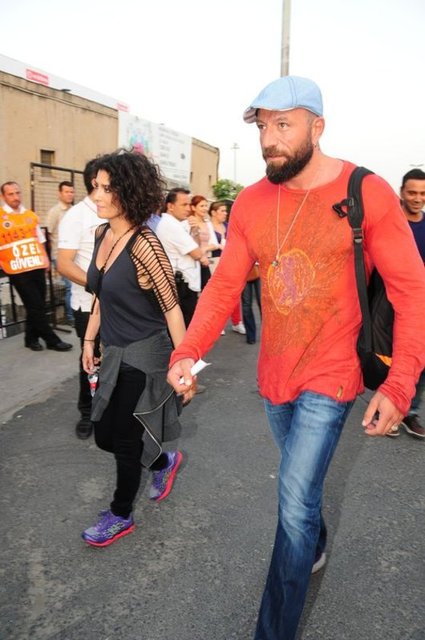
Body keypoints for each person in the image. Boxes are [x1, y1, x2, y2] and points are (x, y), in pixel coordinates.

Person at [166, 76, 425, 639]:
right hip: (274, 376)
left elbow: (412, 292)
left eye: (283, 124)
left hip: (334, 374)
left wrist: (399, 385)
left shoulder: (366, 192)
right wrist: (189, 349)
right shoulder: (253, 202)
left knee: (290, 504)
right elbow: (224, 285)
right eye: (263, 126)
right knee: (301, 494)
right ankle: (317, 539)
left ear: (317, 126)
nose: (269, 140)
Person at [81, 149, 190, 547]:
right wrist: (89, 339)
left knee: (125, 441)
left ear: (129, 191)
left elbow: (172, 309)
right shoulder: (101, 234)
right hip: (113, 350)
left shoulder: (146, 244)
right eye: (95, 186)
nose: (97, 195)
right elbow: (101, 294)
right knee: (104, 437)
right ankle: (163, 460)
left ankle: (120, 514)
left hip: (145, 354)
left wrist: (185, 364)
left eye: (107, 188)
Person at [57, 160, 102, 439]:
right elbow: (64, 263)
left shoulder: (116, 212)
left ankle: (110, 409)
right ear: (96, 182)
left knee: (116, 359)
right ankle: (88, 412)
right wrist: (99, 285)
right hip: (88, 306)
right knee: (91, 359)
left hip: (117, 306)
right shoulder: (76, 216)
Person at [0, 181, 72, 352]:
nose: (16, 197)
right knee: (35, 305)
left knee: (37, 304)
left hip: (37, 265)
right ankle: (52, 340)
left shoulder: (30, 215)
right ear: (3, 196)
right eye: (11, 194)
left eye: (17, 193)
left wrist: (45, 260)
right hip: (17, 268)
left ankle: (30, 338)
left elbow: (40, 239)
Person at [387, 168, 425, 439]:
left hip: (420, 307)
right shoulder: (390, 223)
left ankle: (409, 412)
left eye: (422, 193)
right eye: (412, 192)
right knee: (390, 359)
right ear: (401, 192)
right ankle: (387, 409)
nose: (417, 198)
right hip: (390, 305)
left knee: (421, 362)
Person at [156, 188, 209, 327]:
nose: (188, 208)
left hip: (184, 283)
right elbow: (197, 253)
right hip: (180, 285)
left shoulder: (177, 224)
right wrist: (200, 253)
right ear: (170, 206)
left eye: (189, 204)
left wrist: (195, 230)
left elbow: (196, 246)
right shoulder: (171, 226)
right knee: (183, 327)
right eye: (184, 204)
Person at [209, 200, 246, 335]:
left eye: (226, 211)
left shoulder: (228, 226)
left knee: (234, 293)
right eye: (222, 211)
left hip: (231, 262)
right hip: (214, 261)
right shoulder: (207, 227)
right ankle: (218, 325)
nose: (225, 213)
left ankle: (237, 322)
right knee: (218, 295)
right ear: (213, 213)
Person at [46, 181, 75, 324]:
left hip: (74, 254)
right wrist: (49, 258)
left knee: (75, 286)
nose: (70, 194)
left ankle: (75, 314)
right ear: (60, 193)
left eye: (72, 192)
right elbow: (48, 233)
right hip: (60, 256)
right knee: (70, 286)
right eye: (66, 192)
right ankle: (71, 317)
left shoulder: (74, 210)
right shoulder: (55, 212)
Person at [188, 195, 220, 290]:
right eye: (202, 206)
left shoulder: (208, 223)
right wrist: (201, 253)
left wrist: (204, 249)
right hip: (192, 261)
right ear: (193, 207)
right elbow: (189, 243)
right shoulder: (189, 222)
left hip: (206, 261)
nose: (205, 208)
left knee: (207, 289)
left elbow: (215, 243)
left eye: (206, 206)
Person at [242, 263, 262, 344]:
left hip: (260, 267)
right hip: (243, 270)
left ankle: (268, 334)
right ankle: (250, 336)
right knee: (246, 305)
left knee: (262, 303)